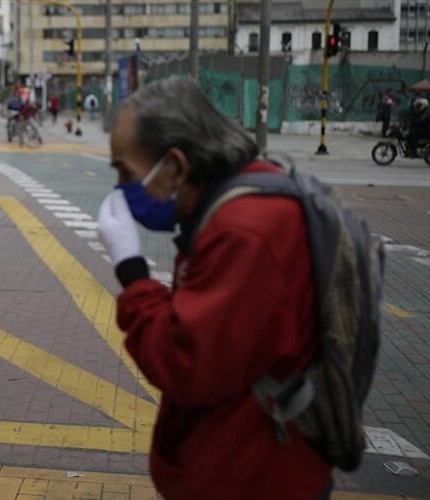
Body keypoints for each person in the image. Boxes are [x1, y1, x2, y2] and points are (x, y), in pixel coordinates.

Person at [96, 79, 332, 499]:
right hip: (242, 460)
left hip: (253, 477)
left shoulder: (244, 230)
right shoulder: (234, 203)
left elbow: (185, 362)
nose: (121, 187)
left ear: (176, 166)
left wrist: (133, 274)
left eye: (125, 171)